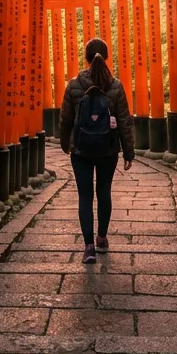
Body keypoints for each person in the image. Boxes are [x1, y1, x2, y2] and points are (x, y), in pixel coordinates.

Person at [59, 37, 135, 264]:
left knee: (84, 195)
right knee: (104, 191)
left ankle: (88, 247)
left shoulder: (74, 84)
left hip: (81, 149)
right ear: (106, 57)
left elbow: (65, 119)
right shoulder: (115, 86)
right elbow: (124, 120)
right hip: (108, 149)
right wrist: (128, 152)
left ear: (86, 58)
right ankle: (102, 239)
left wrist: (66, 144)